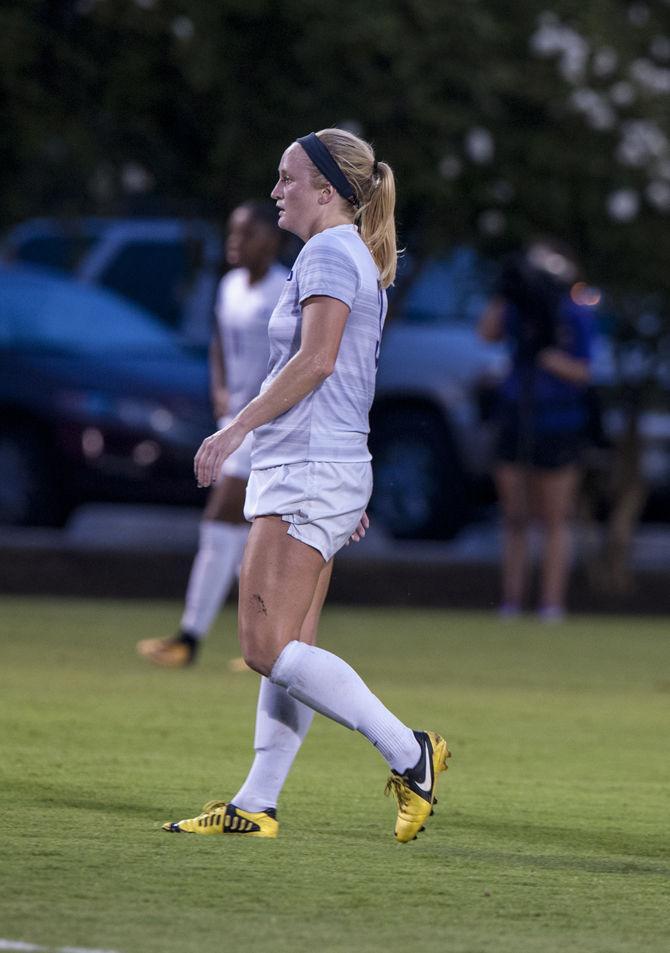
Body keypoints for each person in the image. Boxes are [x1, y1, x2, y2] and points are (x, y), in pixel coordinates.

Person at [161, 128, 450, 842]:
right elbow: (346, 373)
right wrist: (349, 476)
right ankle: (257, 803)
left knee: (265, 645)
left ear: (327, 190)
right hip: (326, 465)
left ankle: (410, 751)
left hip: (308, 468)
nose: (274, 191)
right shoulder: (349, 253)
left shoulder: (328, 251)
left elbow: (317, 362)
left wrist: (234, 430)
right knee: (291, 647)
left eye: (287, 178)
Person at [136, 202, 288, 667]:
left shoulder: (285, 288)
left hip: (268, 426)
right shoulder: (229, 286)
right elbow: (221, 342)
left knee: (223, 519)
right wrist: (219, 387)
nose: (234, 243)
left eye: (245, 234)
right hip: (235, 424)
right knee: (248, 535)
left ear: (270, 240)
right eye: (231, 232)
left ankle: (192, 638)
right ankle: (264, 646)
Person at [478, 241, 595, 621]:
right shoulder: (517, 307)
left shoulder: (573, 312)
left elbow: (584, 371)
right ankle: (511, 602)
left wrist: (545, 354)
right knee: (514, 515)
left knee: (555, 517)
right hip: (516, 416)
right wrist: (504, 291)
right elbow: (488, 333)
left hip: (557, 422)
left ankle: (551, 605)